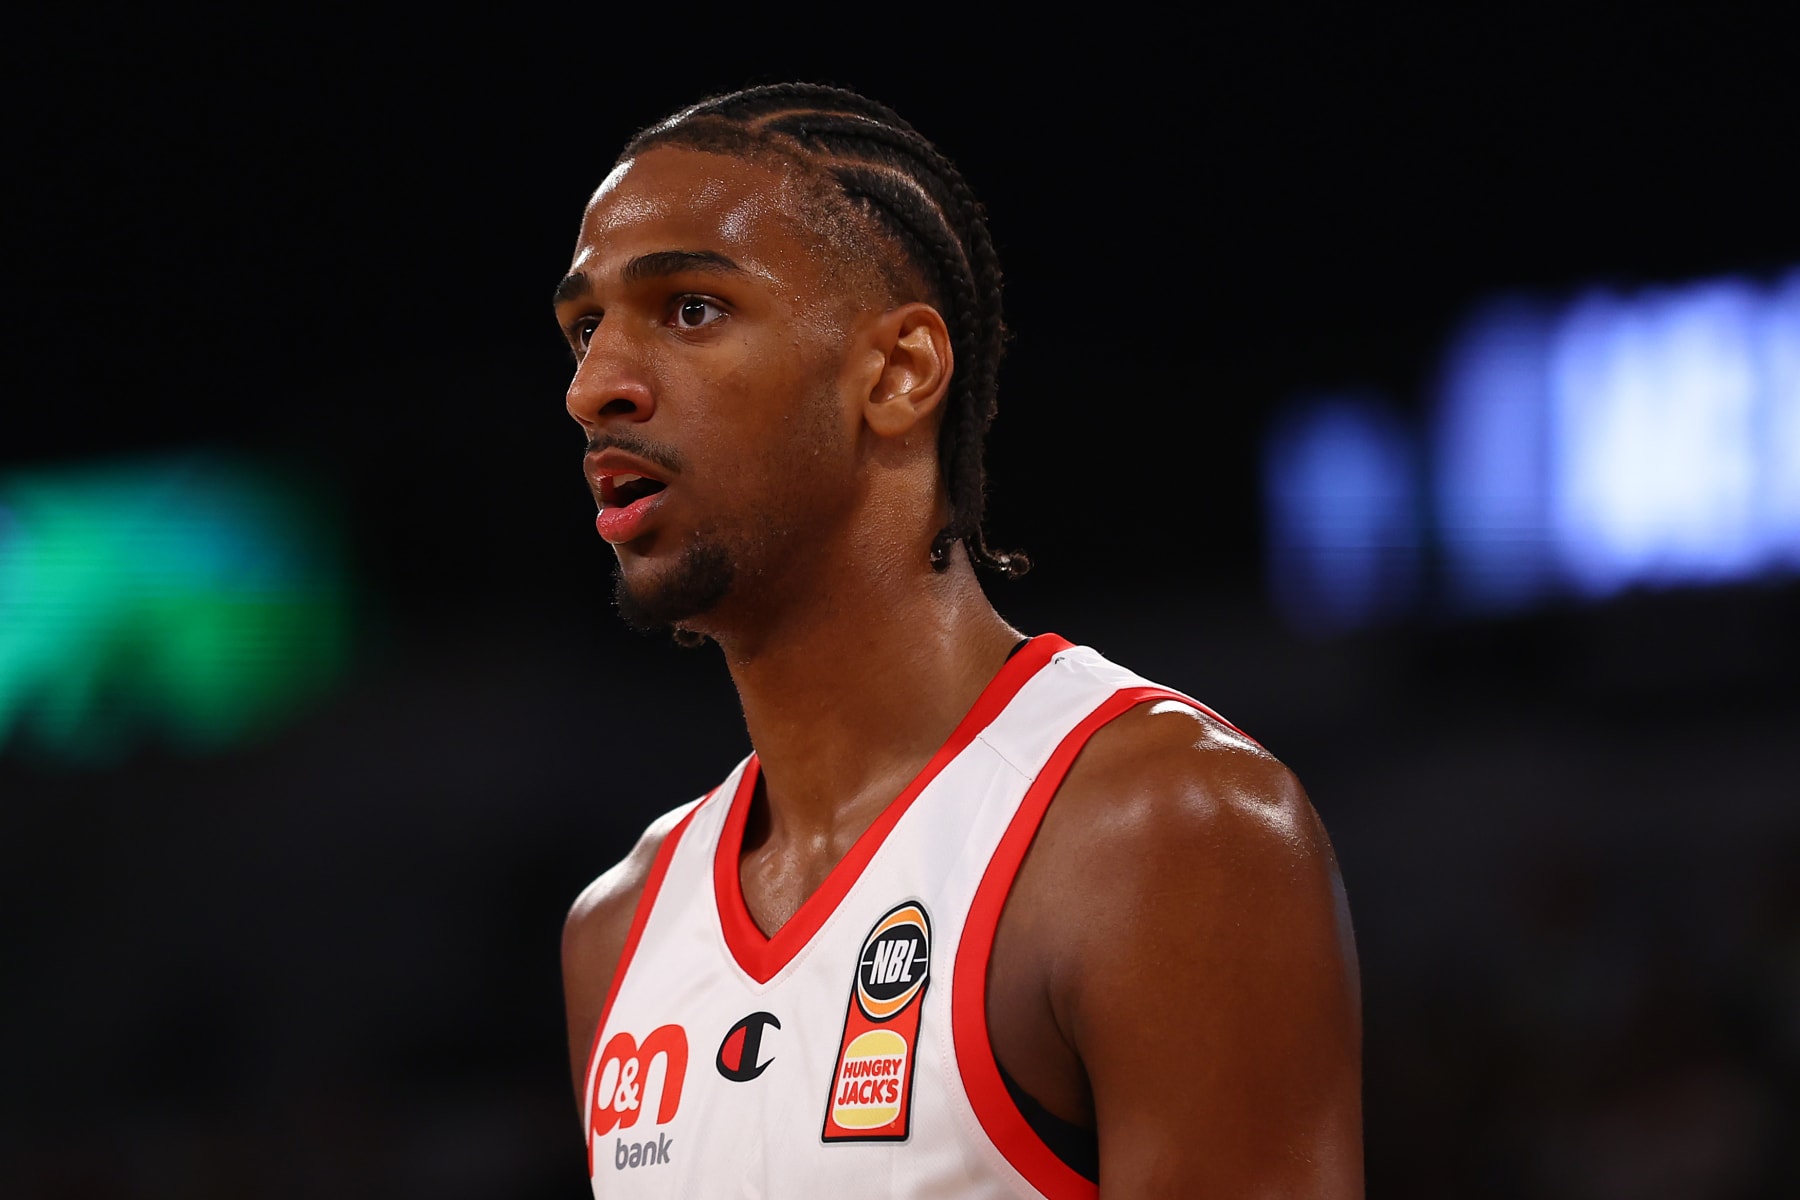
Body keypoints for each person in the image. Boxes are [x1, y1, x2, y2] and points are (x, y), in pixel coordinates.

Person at [557, 83, 1362, 1198]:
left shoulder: (1163, 830)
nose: (595, 387)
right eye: (585, 328)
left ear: (897, 374)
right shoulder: (620, 928)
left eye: (691, 308)